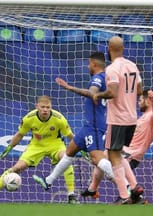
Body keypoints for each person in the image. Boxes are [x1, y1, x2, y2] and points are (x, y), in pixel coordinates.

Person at [32, 52, 114, 194]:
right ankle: (48, 181)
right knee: (70, 152)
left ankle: (126, 185)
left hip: (94, 126)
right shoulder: (106, 78)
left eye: (89, 64)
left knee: (97, 158)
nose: (88, 66)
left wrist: (69, 87)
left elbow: (91, 93)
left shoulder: (98, 79)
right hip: (89, 125)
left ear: (94, 64)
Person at [0, 95, 78, 203]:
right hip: (35, 146)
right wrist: (9, 148)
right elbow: (20, 134)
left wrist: (80, 148)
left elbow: (70, 136)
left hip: (55, 145)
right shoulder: (29, 118)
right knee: (17, 168)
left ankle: (71, 196)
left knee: (66, 159)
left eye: (48, 107)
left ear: (51, 107)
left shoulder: (59, 119)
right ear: (37, 106)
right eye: (43, 107)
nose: (45, 110)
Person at [82, 89, 153, 203]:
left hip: (131, 155)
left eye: (140, 100)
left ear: (148, 101)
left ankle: (131, 194)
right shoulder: (144, 117)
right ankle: (93, 189)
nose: (138, 102)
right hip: (126, 152)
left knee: (102, 160)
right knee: (100, 161)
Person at [92, 36, 143, 204]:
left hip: (118, 119)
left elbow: (112, 92)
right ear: (123, 48)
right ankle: (135, 187)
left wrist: (98, 94)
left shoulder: (112, 69)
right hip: (132, 118)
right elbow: (139, 89)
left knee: (113, 156)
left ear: (109, 48)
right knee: (118, 154)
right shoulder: (132, 65)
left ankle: (124, 195)